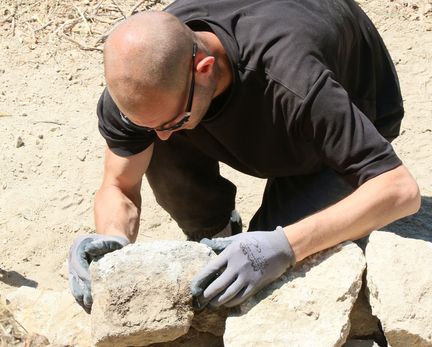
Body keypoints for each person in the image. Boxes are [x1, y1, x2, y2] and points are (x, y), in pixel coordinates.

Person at [68, 0, 421, 313]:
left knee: (272, 265)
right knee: (226, 262)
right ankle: (215, 231)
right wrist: (112, 246)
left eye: (172, 121)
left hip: (342, 115)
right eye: (148, 124)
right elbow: (118, 184)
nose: (160, 136)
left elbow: (398, 189)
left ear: (204, 70)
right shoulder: (145, 82)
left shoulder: (294, 79)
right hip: (256, 108)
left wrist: (283, 246)